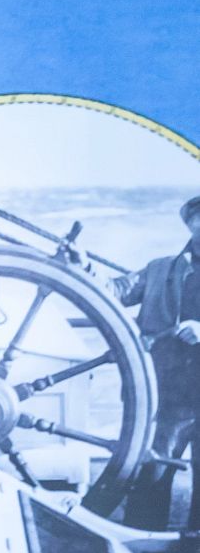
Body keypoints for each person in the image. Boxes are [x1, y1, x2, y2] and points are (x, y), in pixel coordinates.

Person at [114, 195, 200, 532]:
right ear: (189, 224)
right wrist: (81, 267)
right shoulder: (159, 269)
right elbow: (115, 290)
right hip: (168, 393)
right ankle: (143, 546)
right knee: (154, 469)